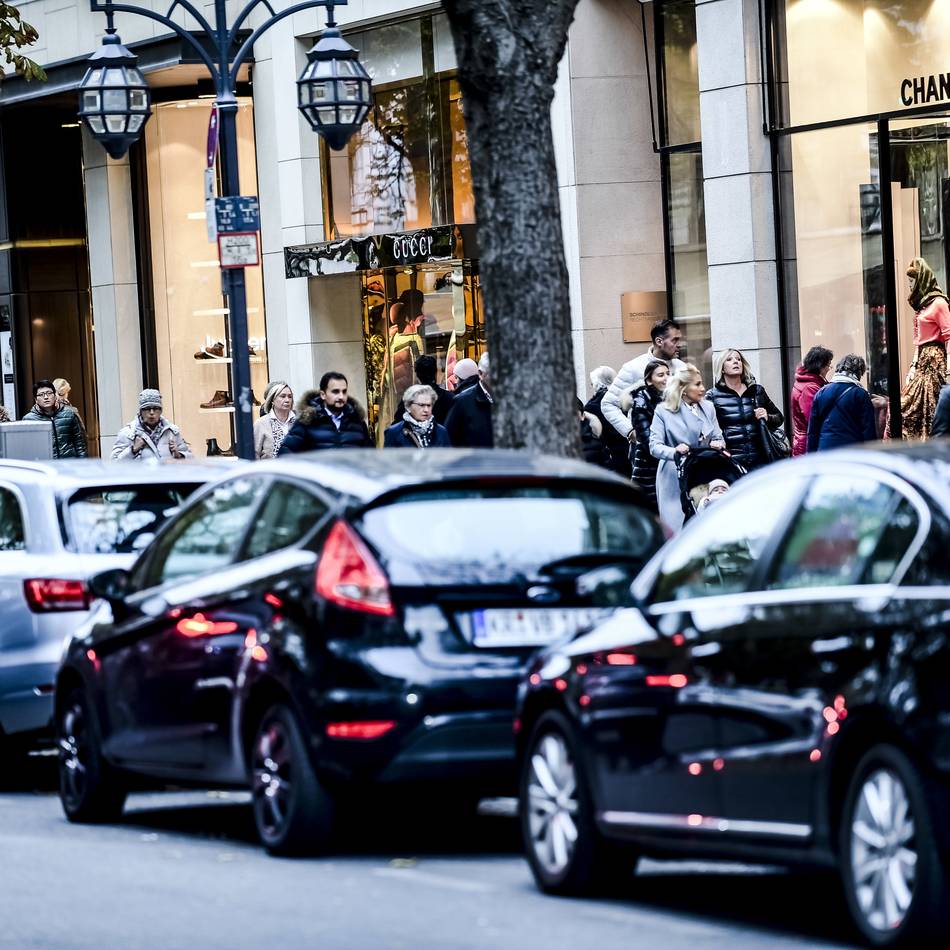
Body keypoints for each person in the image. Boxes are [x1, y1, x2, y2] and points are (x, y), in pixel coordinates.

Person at [650, 364, 725, 534]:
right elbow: (654, 446)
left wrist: (717, 444)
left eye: (702, 383)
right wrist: (674, 451)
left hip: (703, 470)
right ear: (683, 389)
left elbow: (718, 436)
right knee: (676, 527)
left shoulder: (708, 407)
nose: (703, 388)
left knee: (704, 523)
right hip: (674, 474)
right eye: (697, 384)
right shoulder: (663, 411)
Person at [602, 318, 688, 442]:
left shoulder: (682, 367)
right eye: (675, 340)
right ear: (659, 341)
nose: (680, 344)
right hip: (646, 449)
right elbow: (608, 404)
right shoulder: (633, 368)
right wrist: (630, 431)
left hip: (680, 444)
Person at [705, 348, 784, 471]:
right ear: (722, 368)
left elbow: (779, 418)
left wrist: (767, 416)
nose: (736, 362)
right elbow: (705, 429)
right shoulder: (712, 396)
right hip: (731, 460)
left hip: (760, 459)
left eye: (738, 359)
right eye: (729, 359)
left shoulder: (756, 391)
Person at [898, 257, 950, 440]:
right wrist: (913, 365)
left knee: (931, 402)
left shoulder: (939, 303)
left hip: (935, 360)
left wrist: (949, 368)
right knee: (906, 407)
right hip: (921, 362)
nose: (910, 286)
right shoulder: (922, 307)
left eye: (912, 282)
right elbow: (919, 341)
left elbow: (948, 335)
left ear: (922, 280)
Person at [279, 372, 372, 454]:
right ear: (323, 395)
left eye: (344, 392)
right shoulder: (307, 421)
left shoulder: (357, 421)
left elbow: (369, 456)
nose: (341, 396)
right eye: (335, 392)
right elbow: (285, 454)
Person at [806, 354, 877, 452]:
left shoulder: (821, 392)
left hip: (825, 450)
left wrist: (811, 456)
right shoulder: (860, 394)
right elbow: (868, 430)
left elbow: (813, 431)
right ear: (858, 373)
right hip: (851, 451)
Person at [629, 360, 670, 511]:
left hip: (668, 461)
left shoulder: (673, 398)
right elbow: (647, 440)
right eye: (660, 375)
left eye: (668, 374)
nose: (666, 378)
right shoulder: (641, 402)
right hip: (649, 466)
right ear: (649, 380)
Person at [111, 389, 193, 461]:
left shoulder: (172, 432)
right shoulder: (128, 433)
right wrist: (133, 450)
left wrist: (179, 454)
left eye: (155, 408)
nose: (151, 412)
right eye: (147, 409)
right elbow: (115, 463)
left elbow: (190, 458)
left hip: (167, 477)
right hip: (141, 478)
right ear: (141, 412)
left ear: (161, 411)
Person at [584, 365, 630, 477]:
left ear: (597, 383)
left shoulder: (593, 406)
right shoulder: (624, 398)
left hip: (611, 455)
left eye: (592, 383)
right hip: (629, 449)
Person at [23, 379, 87, 459]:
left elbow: (80, 444)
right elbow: (27, 449)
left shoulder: (69, 414)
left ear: (55, 395)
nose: (46, 397)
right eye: (41, 394)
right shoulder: (29, 420)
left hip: (70, 464)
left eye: (49, 393)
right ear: (36, 399)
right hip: (45, 466)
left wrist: (82, 463)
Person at [791, 345, 833, 456]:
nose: (829, 368)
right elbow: (815, 419)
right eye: (828, 365)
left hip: (804, 441)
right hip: (808, 445)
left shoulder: (806, 381)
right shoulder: (810, 388)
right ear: (820, 366)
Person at [444, 353, 493, 448]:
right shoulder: (462, 402)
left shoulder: (510, 398)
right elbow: (450, 439)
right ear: (480, 374)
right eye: (492, 374)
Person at [391, 355, 455, 426]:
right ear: (435, 372)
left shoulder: (409, 399)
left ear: (417, 375)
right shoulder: (449, 398)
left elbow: (397, 425)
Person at [384, 384, 452, 448]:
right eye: (421, 405)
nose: (426, 410)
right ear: (408, 406)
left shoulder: (441, 432)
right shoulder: (394, 433)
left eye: (429, 405)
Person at [254, 380, 296, 459]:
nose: (287, 400)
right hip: (270, 470)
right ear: (272, 400)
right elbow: (254, 455)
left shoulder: (300, 422)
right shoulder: (260, 424)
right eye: (282, 396)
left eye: (290, 396)